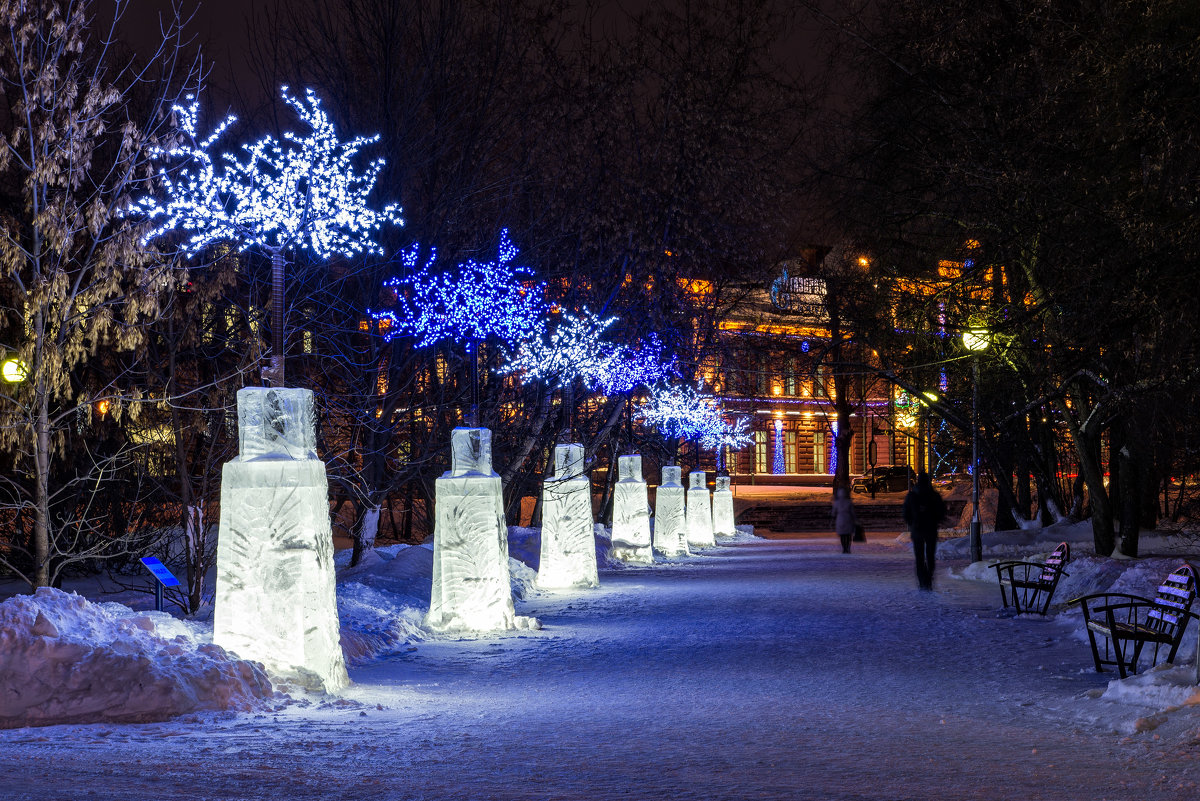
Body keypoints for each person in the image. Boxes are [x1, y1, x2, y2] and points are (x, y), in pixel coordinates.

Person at [903, 472, 946, 590]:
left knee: (919, 557)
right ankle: (928, 577)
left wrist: (911, 522)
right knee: (930, 555)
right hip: (930, 529)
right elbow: (941, 511)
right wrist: (935, 520)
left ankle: (922, 580)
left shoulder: (912, 495)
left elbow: (906, 512)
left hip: (917, 530)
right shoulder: (934, 495)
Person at [831, 486, 857, 554]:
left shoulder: (836, 503)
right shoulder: (849, 502)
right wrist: (855, 520)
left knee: (842, 535)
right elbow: (852, 512)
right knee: (848, 535)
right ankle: (848, 548)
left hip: (840, 519)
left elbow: (833, 513)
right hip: (848, 518)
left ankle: (844, 548)